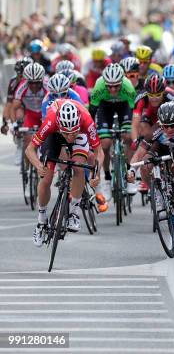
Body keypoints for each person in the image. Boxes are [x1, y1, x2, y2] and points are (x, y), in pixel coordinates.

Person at [26, 100, 103, 246]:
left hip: (81, 135)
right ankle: (41, 221)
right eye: (67, 133)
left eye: (73, 132)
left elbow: (99, 152)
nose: (70, 137)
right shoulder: (50, 121)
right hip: (54, 136)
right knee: (46, 178)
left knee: (79, 168)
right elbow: (29, 149)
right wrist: (37, 165)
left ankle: (74, 213)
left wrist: (96, 173)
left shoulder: (86, 119)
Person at [128, 101, 174, 224]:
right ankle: (156, 192)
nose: (169, 129)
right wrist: (132, 170)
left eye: (173, 125)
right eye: (165, 126)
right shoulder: (155, 130)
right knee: (145, 165)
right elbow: (139, 153)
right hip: (160, 147)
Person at [89, 63, 137, 200]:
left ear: (122, 81)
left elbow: (135, 115)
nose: (113, 89)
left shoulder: (128, 87)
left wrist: (133, 134)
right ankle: (108, 179)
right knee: (104, 143)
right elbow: (91, 113)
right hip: (105, 107)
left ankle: (129, 173)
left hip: (124, 107)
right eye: (109, 86)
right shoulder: (99, 87)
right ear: (105, 83)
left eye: (116, 85)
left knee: (127, 136)